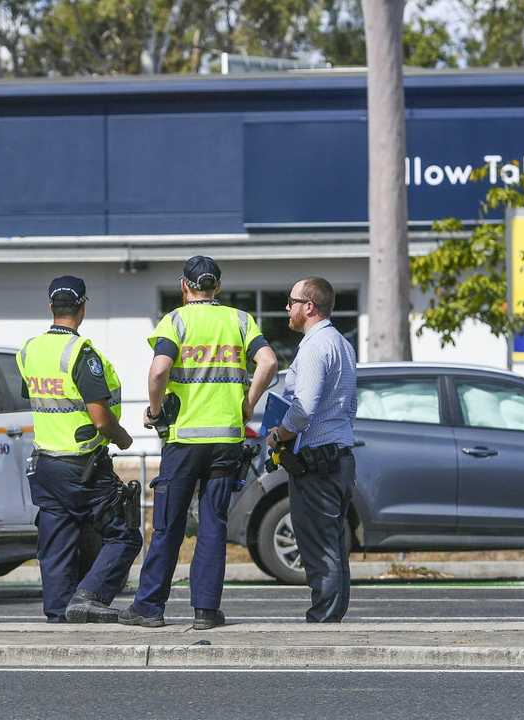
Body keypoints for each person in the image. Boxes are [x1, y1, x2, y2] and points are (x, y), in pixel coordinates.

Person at [119, 256, 278, 630]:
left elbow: (159, 369)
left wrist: (155, 410)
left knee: (168, 525)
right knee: (212, 525)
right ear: (217, 287)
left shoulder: (175, 321)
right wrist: (248, 404)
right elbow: (268, 362)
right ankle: (206, 611)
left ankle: (149, 608)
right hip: (226, 439)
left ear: (184, 286)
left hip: (185, 441)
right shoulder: (240, 320)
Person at [16, 276, 141, 623]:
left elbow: (39, 398)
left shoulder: (29, 351)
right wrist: (123, 438)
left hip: (45, 464)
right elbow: (100, 418)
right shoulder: (82, 353)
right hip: (82, 464)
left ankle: (58, 614)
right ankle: (89, 597)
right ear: (83, 307)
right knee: (125, 534)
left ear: (50, 308)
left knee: (56, 543)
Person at [267, 276, 357, 623]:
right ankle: (330, 614)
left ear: (309, 307)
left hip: (318, 461)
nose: (287, 308)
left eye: (292, 301)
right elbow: (349, 407)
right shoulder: (342, 344)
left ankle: (324, 619)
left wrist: (279, 434)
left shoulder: (316, 347)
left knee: (318, 547)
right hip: (339, 456)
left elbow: (303, 409)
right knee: (332, 544)